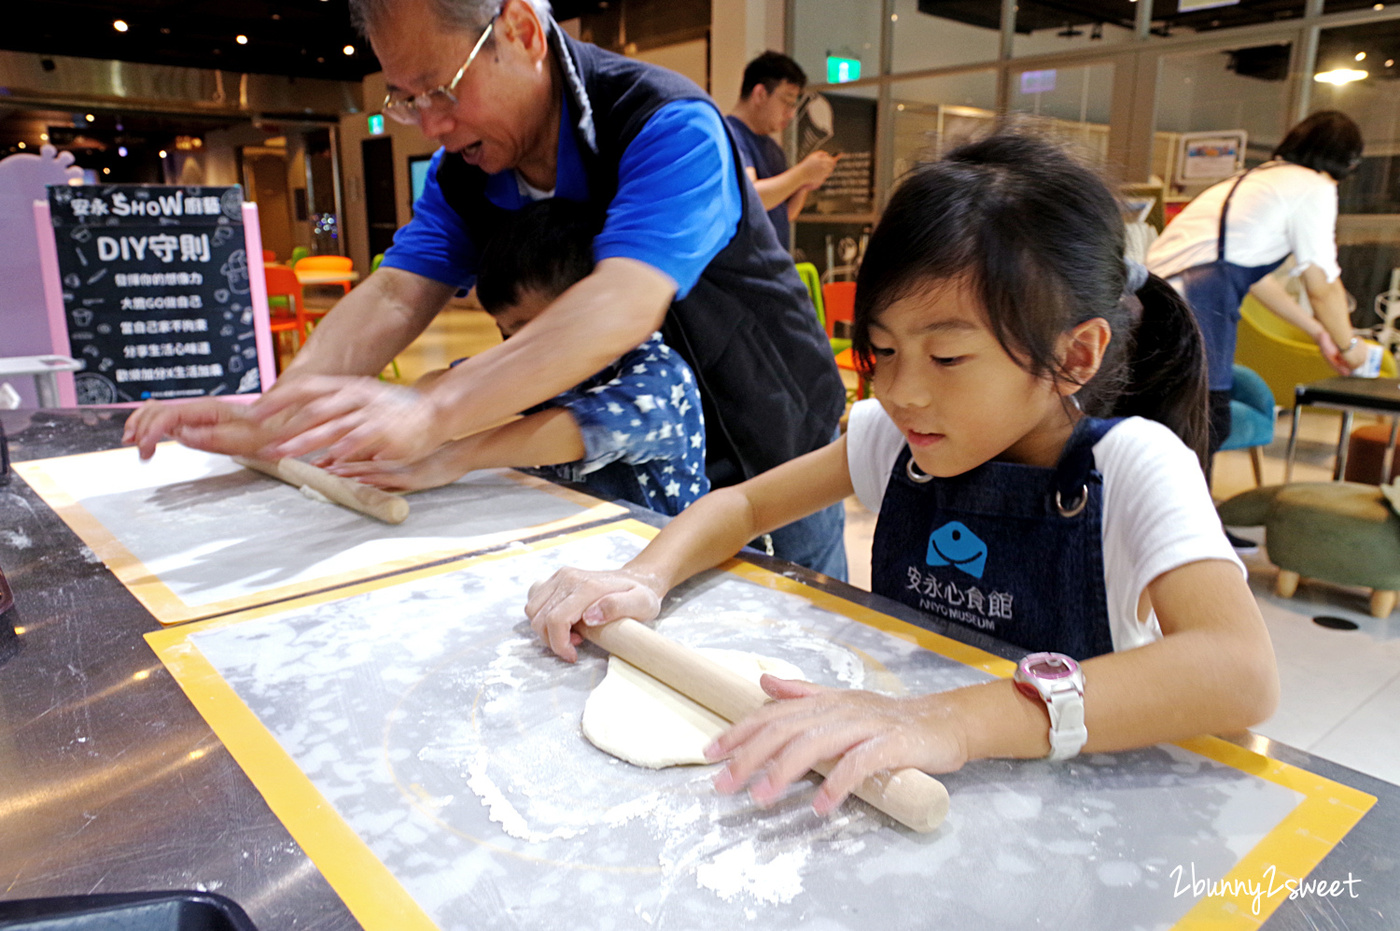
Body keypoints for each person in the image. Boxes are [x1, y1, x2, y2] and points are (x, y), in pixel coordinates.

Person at [523, 132, 1278, 819]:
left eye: (947, 357)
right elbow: (746, 503)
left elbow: (1239, 670)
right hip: (910, 786)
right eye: (882, 350)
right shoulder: (895, 439)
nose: (901, 390)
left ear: (1074, 356)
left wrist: (953, 719)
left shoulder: (1132, 467)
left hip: (1083, 811)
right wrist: (645, 577)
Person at [123, 0, 848, 580]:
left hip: (770, 432)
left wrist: (434, 412)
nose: (433, 127)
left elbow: (624, 298)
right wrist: (278, 415)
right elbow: (395, 295)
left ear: (521, 31)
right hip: (623, 474)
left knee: (797, 623)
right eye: (406, 99)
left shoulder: (664, 124)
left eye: (441, 90)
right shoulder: (466, 171)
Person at [328, 200, 708, 515]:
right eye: (508, 331)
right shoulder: (544, 368)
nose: (521, 345)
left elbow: (580, 429)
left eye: (532, 328)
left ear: (587, 304)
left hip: (659, 553)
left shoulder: (660, 377)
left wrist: (452, 457)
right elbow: (449, 381)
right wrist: (404, 412)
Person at [1147, 111, 1369, 465]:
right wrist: (1349, 346)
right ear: (1347, 161)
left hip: (1152, 297)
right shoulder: (1314, 186)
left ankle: (1165, 517)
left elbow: (1258, 279)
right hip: (1195, 299)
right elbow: (1322, 285)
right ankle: (1181, 520)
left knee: (1170, 423)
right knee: (1203, 425)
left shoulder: (1252, 180)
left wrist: (1317, 332)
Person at [725, 52, 839, 251]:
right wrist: (803, 173)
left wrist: (805, 184)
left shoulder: (773, 148)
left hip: (773, 264)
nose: (791, 113)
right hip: (744, 270)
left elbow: (785, 214)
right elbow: (753, 198)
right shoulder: (731, 135)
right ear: (760, 94)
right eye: (787, 101)